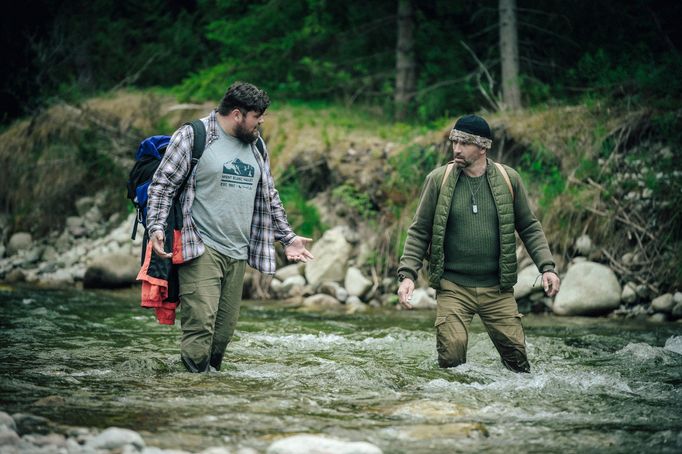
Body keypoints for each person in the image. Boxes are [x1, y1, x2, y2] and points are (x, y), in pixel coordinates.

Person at [146, 81, 313, 373]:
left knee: (221, 338)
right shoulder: (193, 136)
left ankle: (212, 399)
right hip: (200, 249)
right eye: (256, 116)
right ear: (237, 114)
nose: (261, 121)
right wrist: (157, 226)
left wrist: (287, 238)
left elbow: (269, 195)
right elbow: (162, 185)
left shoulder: (257, 145)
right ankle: (192, 395)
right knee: (200, 330)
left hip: (239, 253)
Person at [397, 114, 560, 373]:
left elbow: (529, 226)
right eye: (454, 141)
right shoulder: (438, 180)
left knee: (518, 363)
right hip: (453, 287)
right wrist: (407, 275)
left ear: (483, 147)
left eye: (464, 143)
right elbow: (419, 231)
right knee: (451, 358)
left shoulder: (509, 179)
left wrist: (547, 267)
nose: (457, 148)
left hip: (497, 289)